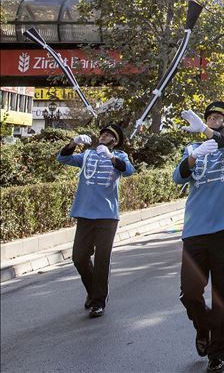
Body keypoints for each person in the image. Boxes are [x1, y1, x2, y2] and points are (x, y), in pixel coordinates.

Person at [173, 101, 224, 372]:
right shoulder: (192, 148)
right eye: (210, 117)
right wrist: (193, 157)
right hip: (195, 230)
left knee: (222, 294)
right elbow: (177, 178)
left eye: (220, 118)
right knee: (189, 292)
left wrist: (208, 133)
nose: (215, 120)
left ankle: (217, 353)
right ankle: (202, 326)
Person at [57, 123, 134, 318]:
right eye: (103, 133)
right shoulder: (88, 155)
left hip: (107, 216)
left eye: (108, 135)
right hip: (84, 213)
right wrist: (73, 142)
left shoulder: (120, 156)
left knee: (102, 259)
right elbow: (63, 158)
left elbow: (128, 171)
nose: (103, 136)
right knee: (79, 257)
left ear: (114, 141)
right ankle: (93, 292)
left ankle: (98, 301)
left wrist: (110, 157)